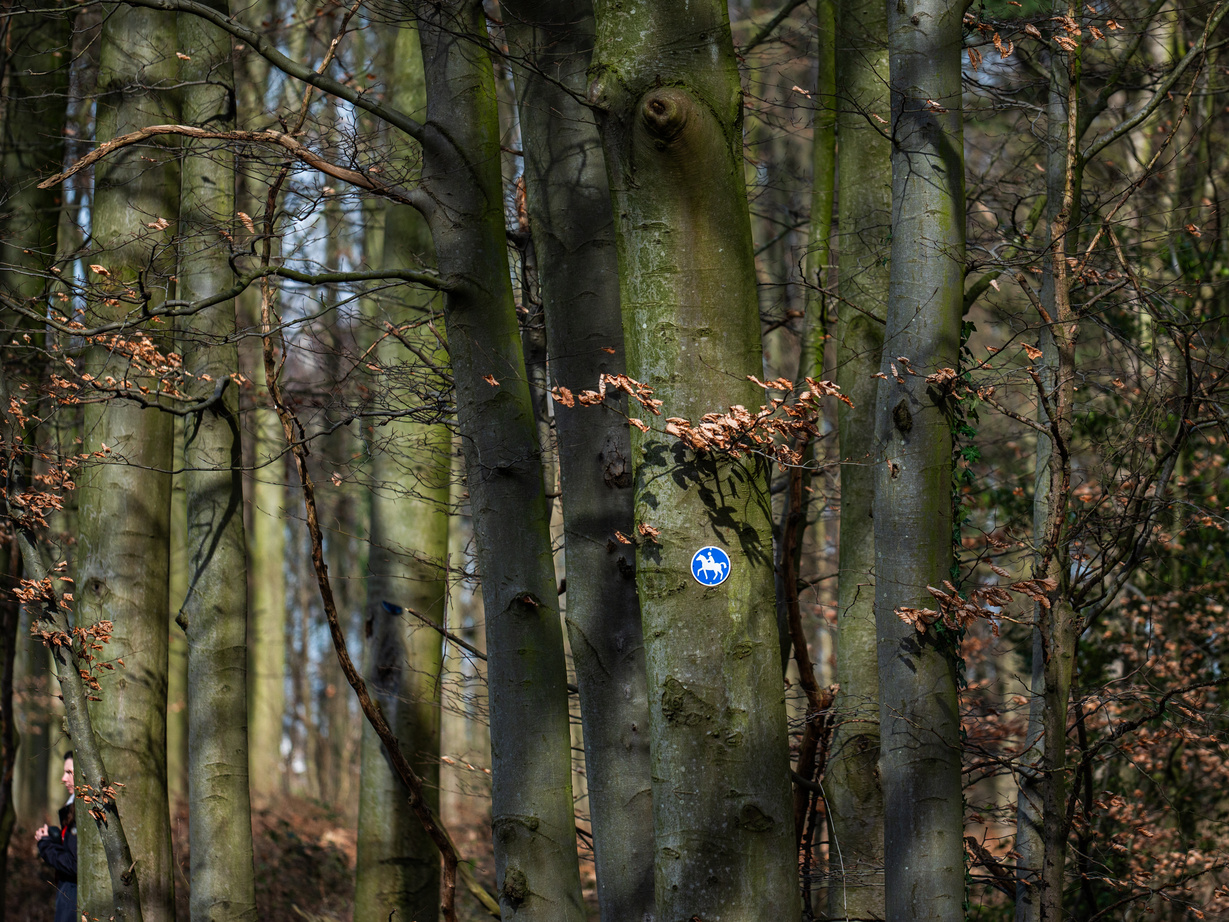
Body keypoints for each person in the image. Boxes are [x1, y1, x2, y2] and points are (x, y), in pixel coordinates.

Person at [34, 751, 77, 922]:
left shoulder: (83, 813)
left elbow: (73, 864)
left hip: (73, 897)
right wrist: (54, 840)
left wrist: (45, 845)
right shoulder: (74, 807)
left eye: (69, 772)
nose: (63, 779)